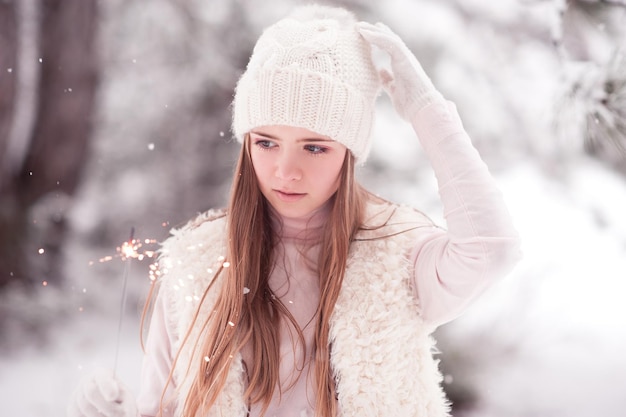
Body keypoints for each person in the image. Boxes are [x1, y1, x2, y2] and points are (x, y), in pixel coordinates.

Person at [67, 4, 521, 417]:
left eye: (315, 147)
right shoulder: (196, 264)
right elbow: (165, 409)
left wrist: (429, 114)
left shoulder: (396, 255)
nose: (286, 171)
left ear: (349, 153)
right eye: (266, 142)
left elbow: (491, 250)